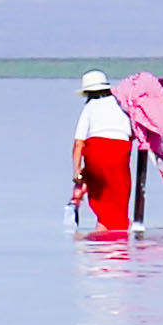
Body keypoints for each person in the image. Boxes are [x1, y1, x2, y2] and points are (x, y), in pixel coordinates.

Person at [71, 72, 137, 234]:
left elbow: (79, 143)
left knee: (103, 202)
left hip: (96, 152)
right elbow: (133, 132)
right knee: (119, 200)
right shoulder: (123, 104)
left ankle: (102, 241)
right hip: (120, 151)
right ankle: (116, 243)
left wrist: (77, 171)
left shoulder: (89, 107)